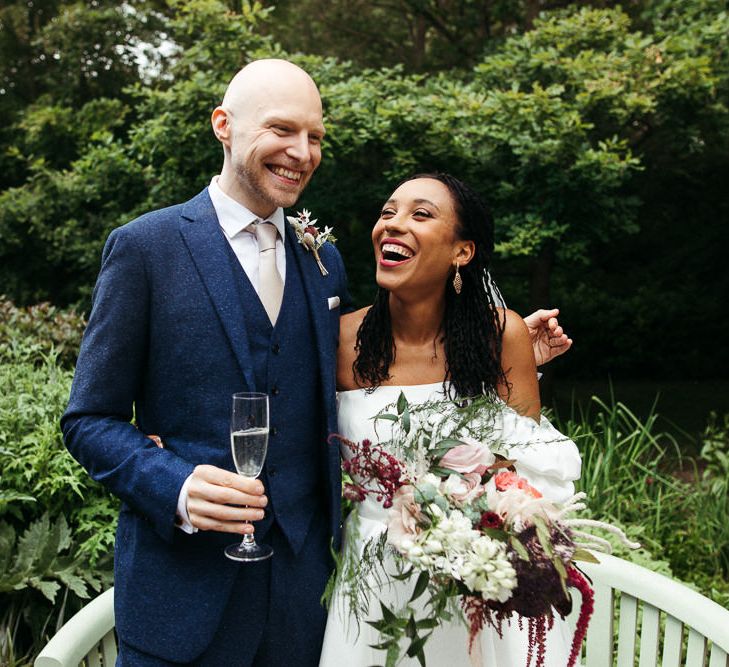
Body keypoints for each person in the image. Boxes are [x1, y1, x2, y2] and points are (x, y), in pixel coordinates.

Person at [62, 58, 570, 666]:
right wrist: (174, 486)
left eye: (315, 136)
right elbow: (88, 420)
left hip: (312, 607)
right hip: (183, 597)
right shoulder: (145, 248)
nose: (301, 152)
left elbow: (378, 383)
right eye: (282, 130)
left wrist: (508, 357)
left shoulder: (322, 258)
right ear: (224, 125)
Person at [318, 173, 582, 666]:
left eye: (420, 214)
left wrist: (479, 517)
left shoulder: (500, 334)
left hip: (473, 581)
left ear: (462, 252)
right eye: (388, 212)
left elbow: (528, 470)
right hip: (370, 581)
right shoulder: (339, 339)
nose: (393, 225)